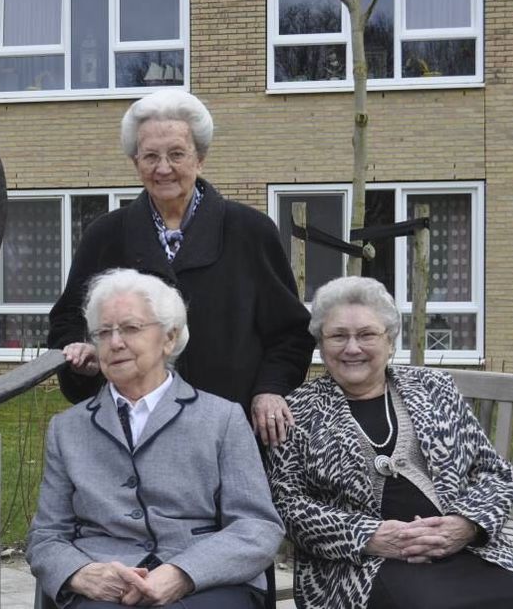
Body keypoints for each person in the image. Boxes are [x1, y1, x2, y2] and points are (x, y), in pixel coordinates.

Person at [48, 90, 314, 447]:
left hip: (229, 432)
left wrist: (270, 389)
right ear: (135, 162)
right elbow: (68, 323)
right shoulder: (105, 235)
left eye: (176, 154)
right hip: (128, 432)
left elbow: (291, 334)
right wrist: (81, 355)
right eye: (150, 156)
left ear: (200, 158)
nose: (163, 168)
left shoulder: (250, 231)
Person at [266, 276, 513, 609]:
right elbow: (286, 503)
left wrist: (466, 525)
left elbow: (493, 472)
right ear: (321, 344)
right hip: (362, 564)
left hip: (463, 548)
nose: (352, 348)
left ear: (390, 341)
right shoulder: (297, 410)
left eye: (367, 334)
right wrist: (369, 536)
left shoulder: (435, 387)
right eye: (338, 335)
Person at [28, 269, 284, 609]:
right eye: (103, 332)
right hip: (106, 583)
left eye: (131, 328)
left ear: (169, 338)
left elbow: (257, 527)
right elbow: (46, 536)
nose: (115, 342)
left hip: (203, 581)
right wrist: (81, 573)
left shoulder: (222, 418)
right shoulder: (68, 429)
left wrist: (182, 573)